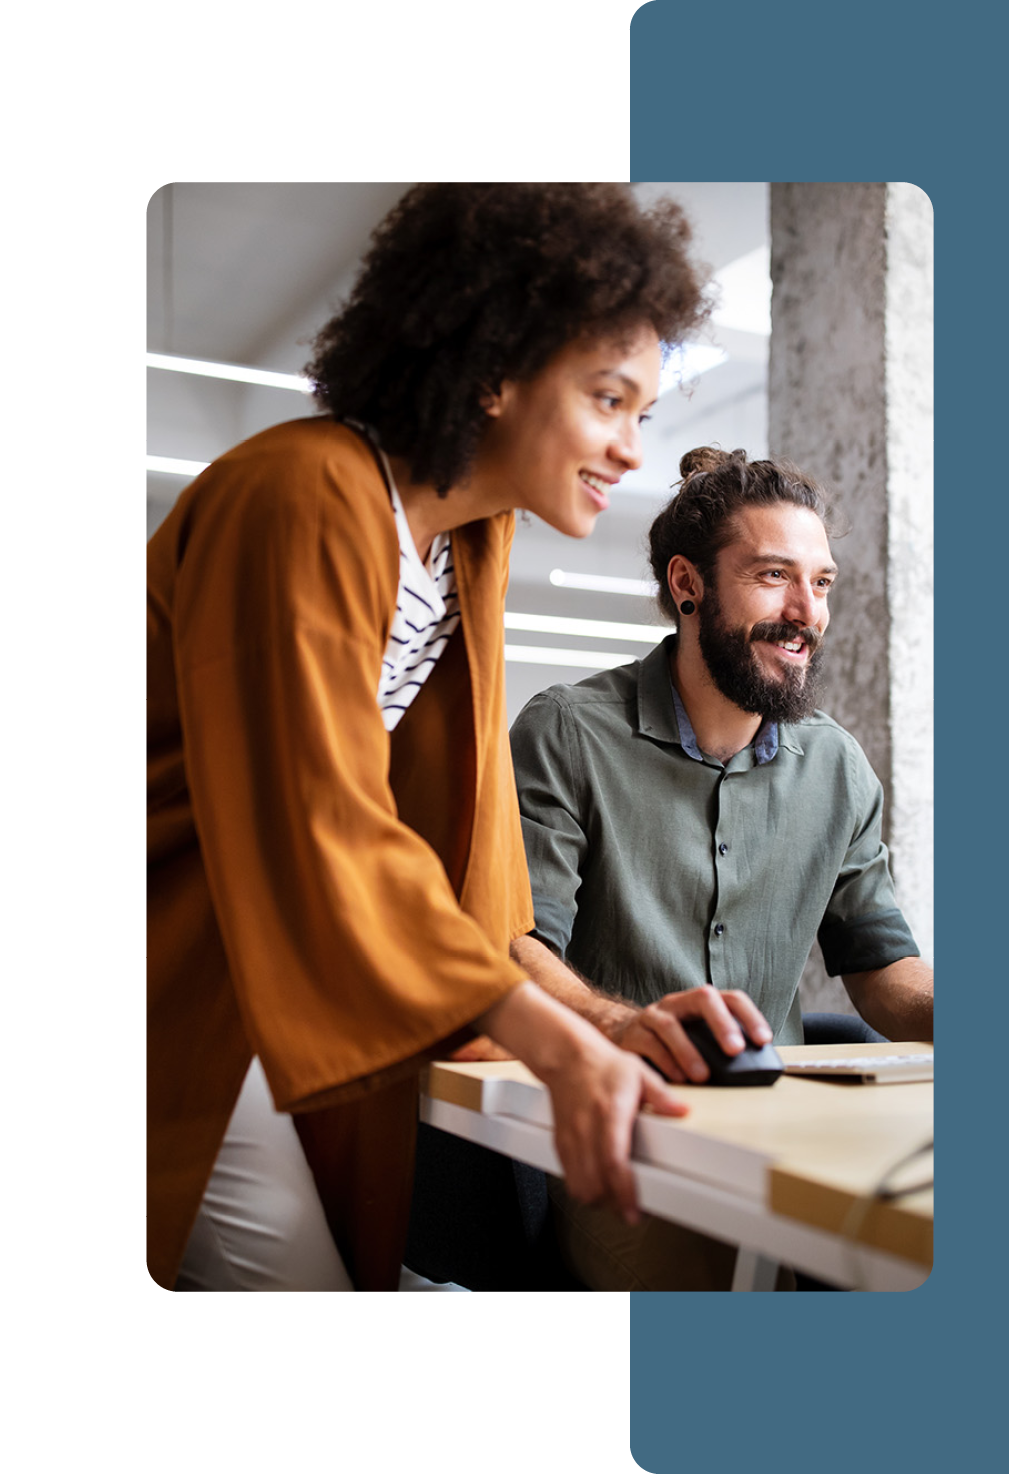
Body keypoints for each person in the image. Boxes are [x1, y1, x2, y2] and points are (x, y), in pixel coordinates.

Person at [145, 183, 715, 1292]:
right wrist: (556, 1049)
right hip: (181, 973)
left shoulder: (468, 541)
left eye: (644, 413)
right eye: (610, 399)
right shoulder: (299, 494)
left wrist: (601, 1018)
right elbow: (322, 820)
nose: (632, 451)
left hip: (266, 968)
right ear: (496, 368)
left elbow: (460, 849)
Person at [508, 443, 933, 1289]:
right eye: (774, 576)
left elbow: (883, 971)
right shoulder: (567, 733)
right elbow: (515, 949)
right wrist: (625, 1028)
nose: (804, 611)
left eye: (820, 583)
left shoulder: (837, 767)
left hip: (790, 1124)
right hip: (633, 1128)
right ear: (688, 584)